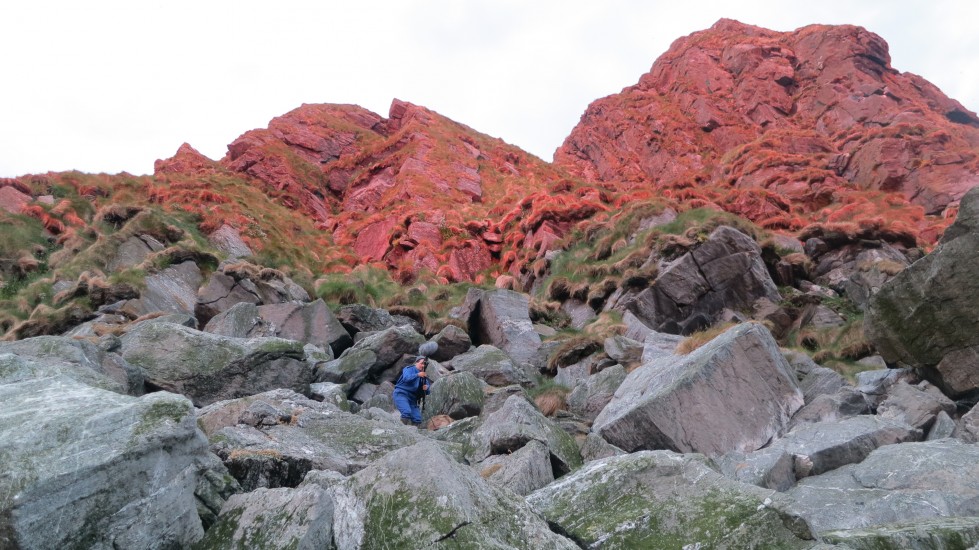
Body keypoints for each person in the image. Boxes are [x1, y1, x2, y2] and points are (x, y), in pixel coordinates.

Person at [393, 355, 430, 427]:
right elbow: (406, 378)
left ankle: (414, 434)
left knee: (417, 418)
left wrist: (426, 388)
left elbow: (427, 391)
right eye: (421, 363)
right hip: (401, 394)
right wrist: (417, 375)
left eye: (424, 364)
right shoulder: (409, 369)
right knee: (406, 412)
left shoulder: (424, 376)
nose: (423, 366)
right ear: (416, 363)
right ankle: (401, 430)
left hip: (413, 399)